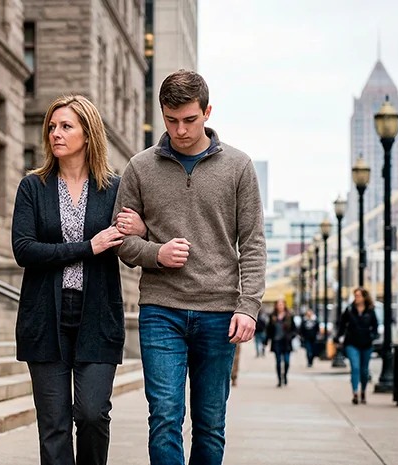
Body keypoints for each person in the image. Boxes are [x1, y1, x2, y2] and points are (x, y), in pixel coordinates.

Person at [112, 69, 266, 465]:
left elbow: (252, 242)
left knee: (210, 422)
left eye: (190, 120)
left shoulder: (239, 166)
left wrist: (248, 307)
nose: (180, 130)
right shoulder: (140, 167)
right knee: (164, 417)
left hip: (219, 312)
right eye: (171, 120)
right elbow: (122, 240)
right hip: (161, 310)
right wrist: (156, 254)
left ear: (207, 112)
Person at [11, 95, 146, 465]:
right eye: (52, 127)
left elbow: (131, 249)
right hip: (44, 316)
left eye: (66, 126)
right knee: (53, 424)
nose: (56, 133)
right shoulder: (33, 187)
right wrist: (88, 246)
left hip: (98, 315)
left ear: (88, 134)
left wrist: (141, 229)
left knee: (91, 415)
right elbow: (24, 249)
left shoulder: (114, 189)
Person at [337, 287, 379, 405]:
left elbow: (375, 326)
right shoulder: (349, 310)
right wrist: (338, 338)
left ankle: (363, 391)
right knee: (355, 367)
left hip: (366, 343)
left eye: (359, 296)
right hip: (352, 343)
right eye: (355, 295)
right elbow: (342, 325)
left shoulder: (370, 311)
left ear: (364, 297)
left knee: (364, 370)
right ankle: (355, 392)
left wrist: (372, 336)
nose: (357, 298)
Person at [265, 300, 297, 387]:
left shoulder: (289, 316)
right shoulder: (273, 317)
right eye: (278, 305)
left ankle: (285, 375)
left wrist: (290, 336)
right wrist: (266, 341)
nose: (280, 306)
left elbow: (294, 329)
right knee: (278, 361)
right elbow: (268, 330)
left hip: (286, 342)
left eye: (281, 304)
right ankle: (279, 380)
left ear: (284, 306)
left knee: (286, 361)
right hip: (276, 342)